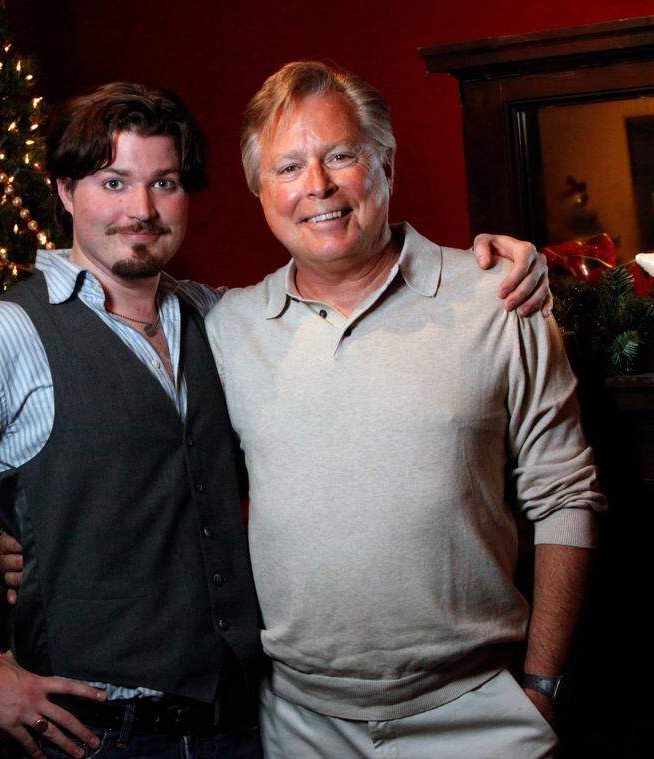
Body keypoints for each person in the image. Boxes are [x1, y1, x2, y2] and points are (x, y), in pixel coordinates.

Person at [0, 81, 549, 759]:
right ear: (66, 192)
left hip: (243, 724)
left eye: (162, 182)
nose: (141, 209)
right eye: (113, 182)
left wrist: (488, 267)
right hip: (96, 735)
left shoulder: (219, 318)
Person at [211, 60, 605, 758]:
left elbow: (566, 493)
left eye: (341, 156)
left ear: (385, 162)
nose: (318, 187)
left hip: (478, 713)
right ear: (260, 190)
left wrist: (543, 686)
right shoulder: (226, 328)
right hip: (301, 723)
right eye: (289, 167)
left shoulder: (499, 298)